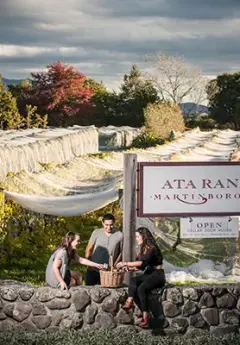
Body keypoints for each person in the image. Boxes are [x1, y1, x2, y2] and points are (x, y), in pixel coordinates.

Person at [116, 227, 165, 328]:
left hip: (158, 275)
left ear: (144, 236)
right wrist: (129, 268)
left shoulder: (151, 248)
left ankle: (146, 317)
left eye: (138, 236)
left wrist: (125, 263)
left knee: (141, 288)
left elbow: (141, 262)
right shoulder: (144, 248)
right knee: (133, 280)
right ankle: (129, 301)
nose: (137, 238)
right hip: (149, 272)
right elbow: (142, 266)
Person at [85, 213, 123, 285]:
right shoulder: (96, 232)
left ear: (114, 223)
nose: (109, 227)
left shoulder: (120, 235)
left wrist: (114, 265)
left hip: (108, 272)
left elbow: (121, 252)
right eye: (106, 225)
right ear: (102, 223)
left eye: (111, 225)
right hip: (93, 269)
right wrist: (89, 264)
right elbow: (88, 249)